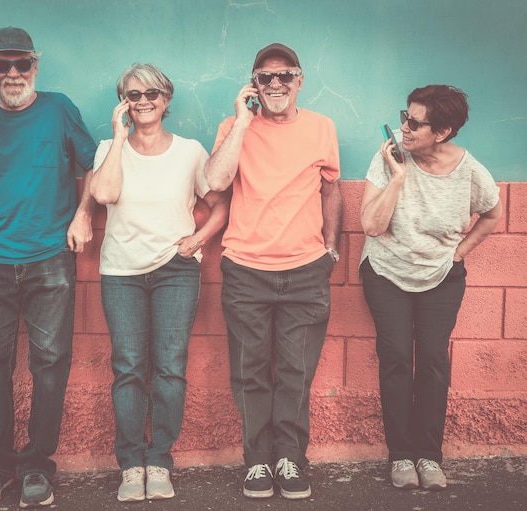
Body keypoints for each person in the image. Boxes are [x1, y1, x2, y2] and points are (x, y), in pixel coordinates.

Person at [0, 27, 97, 508]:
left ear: (35, 66)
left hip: (51, 258)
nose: (12, 74)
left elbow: (90, 164)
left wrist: (84, 212)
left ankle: (35, 465)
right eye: (1, 65)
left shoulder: (59, 108)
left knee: (49, 365)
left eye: (21, 64)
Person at [204, 43, 342, 500]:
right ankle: (257, 462)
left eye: (286, 75)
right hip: (246, 271)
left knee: (295, 371)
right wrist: (243, 120)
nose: (276, 84)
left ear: (300, 80)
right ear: (254, 85)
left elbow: (331, 191)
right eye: (266, 78)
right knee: (250, 374)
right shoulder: (233, 126)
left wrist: (331, 248)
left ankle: (289, 458)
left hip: (305, 271)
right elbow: (218, 180)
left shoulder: (322, 128)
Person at [89, 63, 230, 502]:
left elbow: (220, 204)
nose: (143, 101)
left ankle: (160, 461)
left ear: (166, 100)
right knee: (129, 367)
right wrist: (117, 134)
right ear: (124, 103)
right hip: (121, 273)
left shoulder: (190, 151)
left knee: (169, 367)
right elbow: (104, 195)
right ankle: (132, 464)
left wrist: (197, 240)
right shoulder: (107, 148)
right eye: (133, 95)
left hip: (175, 270)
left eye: (152, 94)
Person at [359, 85, 502, 491]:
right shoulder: (388, 158)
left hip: (441, 277)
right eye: (404, 116)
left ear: (442, 132)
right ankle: (401, 456)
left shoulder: (469, 170)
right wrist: (398, 176)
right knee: (397, 360)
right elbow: (371, 225)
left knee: (434, 364)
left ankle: (429, 456)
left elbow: (493, 213)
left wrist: (460, 252)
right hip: (387, 272)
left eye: (415, 123)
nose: (404, 127)